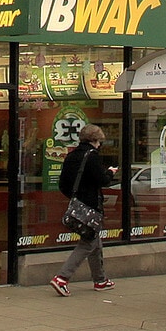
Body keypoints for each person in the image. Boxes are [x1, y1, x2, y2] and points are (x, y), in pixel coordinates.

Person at [49, 125, 116, 296]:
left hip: (78, 204)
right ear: (95, 140)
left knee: (94, 241)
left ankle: (100, 280)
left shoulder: (71, 156)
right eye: (99, 141)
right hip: (91, 206)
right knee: (88, 242)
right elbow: (102, 181)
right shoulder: (92, 156)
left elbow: (63, 184)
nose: (100, 145)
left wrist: (75, 198)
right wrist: (110, 172)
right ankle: (62, 278)